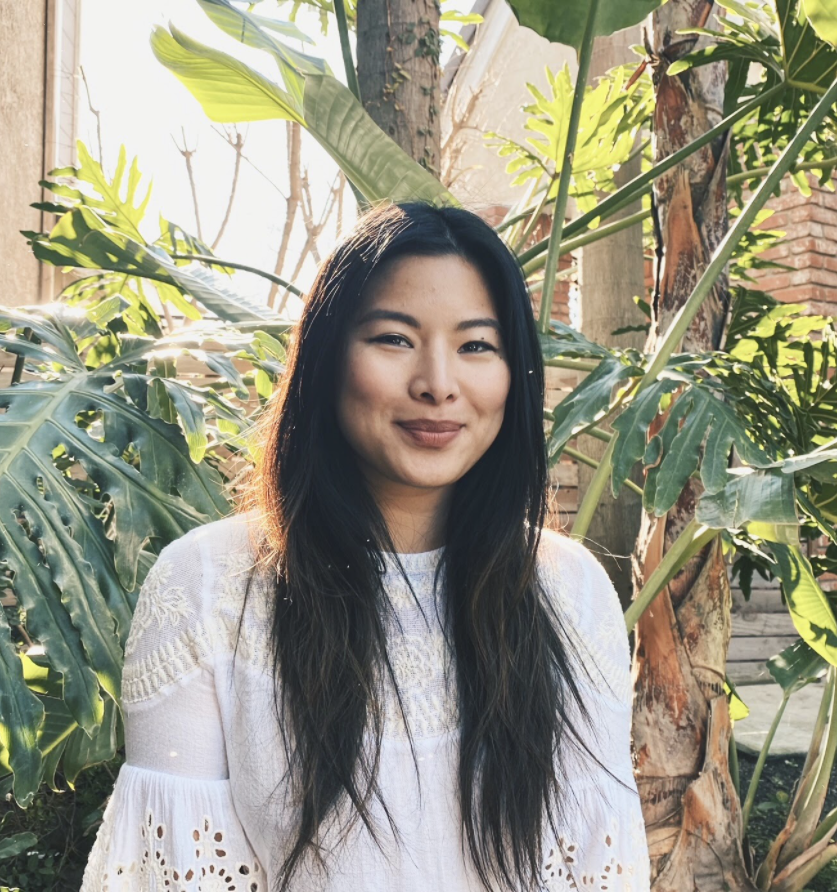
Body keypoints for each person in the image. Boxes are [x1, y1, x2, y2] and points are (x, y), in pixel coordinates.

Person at [80, 201, 649, 892]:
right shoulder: (205, 586)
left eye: (476, 346)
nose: (438, 383)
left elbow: (598, 871)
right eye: (394, 338)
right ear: (326, 358)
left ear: (513, 376)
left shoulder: (570, 591)